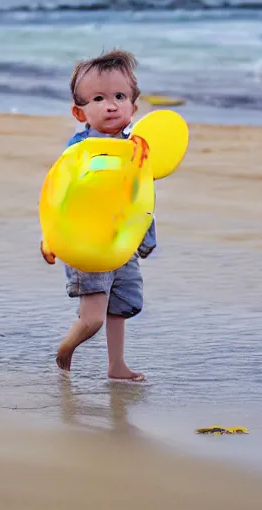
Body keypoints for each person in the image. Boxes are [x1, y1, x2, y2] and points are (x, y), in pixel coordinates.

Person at [41, 49, 157, 382]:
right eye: (99, 98)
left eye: (120, 96)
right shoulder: (79, 152)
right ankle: (66, 347)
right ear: (80, 112)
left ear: (134, 107)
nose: (111, 104)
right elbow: (58, 197)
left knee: (119, 307)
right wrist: (51, 238)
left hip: (122, 244)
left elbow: (142, 197)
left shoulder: (138, 149)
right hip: (86, 243)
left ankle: (116, 366)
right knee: (93, 319)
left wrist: (145, 240)